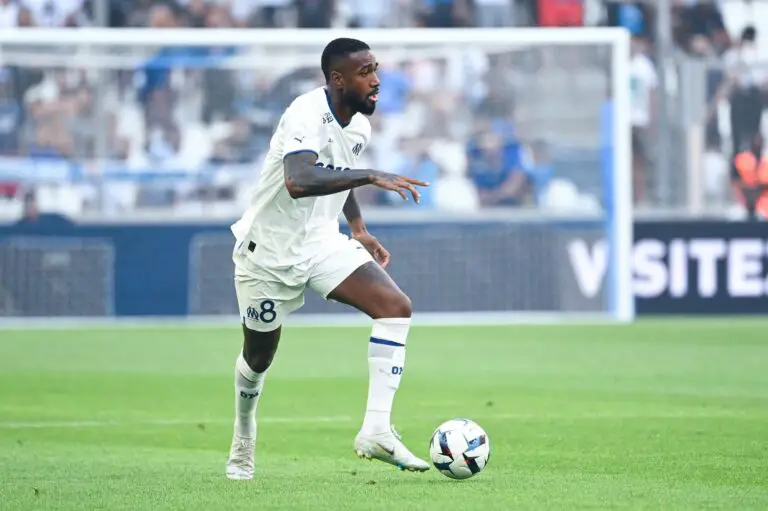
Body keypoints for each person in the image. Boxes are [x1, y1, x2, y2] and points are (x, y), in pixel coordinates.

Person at [226, 37, 431, 480]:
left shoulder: (359, 127)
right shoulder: (305, 113)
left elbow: (337, 173)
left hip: (320, 242)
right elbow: (299, 179)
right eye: (365, 72)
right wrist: (372, 175)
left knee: (395, 307)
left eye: (376, 69)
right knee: (258, 358)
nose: (376, 80)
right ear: (338, 79)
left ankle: (376, 430)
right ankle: (244, 432)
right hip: (268, 254)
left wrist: (357, 227)